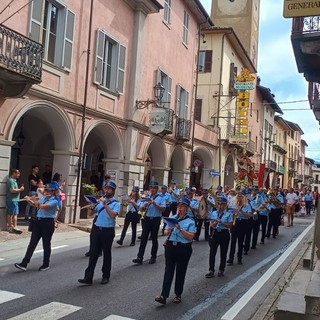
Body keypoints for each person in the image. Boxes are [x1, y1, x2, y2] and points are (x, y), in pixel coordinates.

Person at [155, 197, 195, 305]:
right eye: (179, 206)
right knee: (168, 271)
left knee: (180, 272)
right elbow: (165, 232)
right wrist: (169, 229)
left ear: (186, 208)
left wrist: (181, 229)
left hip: (183, 248)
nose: (180, 208)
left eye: (182, 206)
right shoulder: (172, 217)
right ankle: (164, 295)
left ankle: (178, 294)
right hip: (171, 247)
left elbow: (191, 236)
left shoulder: (190, 221)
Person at [78, 181, 120, 285]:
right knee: (93, 253)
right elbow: (91, 214)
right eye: (106, 188)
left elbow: (113, 215)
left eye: (109, 189)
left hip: (108, 230)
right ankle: (88, 277)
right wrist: (90, 207)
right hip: (97, 228)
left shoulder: (116, 203)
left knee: (106, 253)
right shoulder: (100, 201)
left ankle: (105, 276)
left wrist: (105, 205)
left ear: (113, 191)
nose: (107, 191)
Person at [14, 182, 61, 271]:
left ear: (53, 192)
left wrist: (34, 200)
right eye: (46, 190)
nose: (46, 192)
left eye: (48, 191)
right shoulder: (43, 198)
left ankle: (46, 264)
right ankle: (24, 263)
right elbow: (36, 205)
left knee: (46, 244)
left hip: (47, 223)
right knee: (32, 243)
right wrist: (28, 200)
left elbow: (43, 207)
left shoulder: (54, 201)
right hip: (38, 222)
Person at [132, 181, 165, 265]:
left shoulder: (161, 197)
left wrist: (154, 203)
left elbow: (163, 209)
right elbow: (141, 209)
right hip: (147, 218)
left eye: (154, 188)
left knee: (154, 238)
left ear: (157, 189)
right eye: (151, 188)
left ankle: (153, 256)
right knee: (144, 238)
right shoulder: (147, 197)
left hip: (155, 219)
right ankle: (139, 257)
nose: (152, 189)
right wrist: (144, 206)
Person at [205, 196, 233, 278]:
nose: (220, 206)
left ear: (225, 205)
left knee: (223, 252)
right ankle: (211, 270)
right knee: (212, 252)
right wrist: (214, 224)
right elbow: (212, 224)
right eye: (219, 204)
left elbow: (230, 225)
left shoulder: (228, 214)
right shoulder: (214, 213)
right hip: (216, 233)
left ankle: (221, 269)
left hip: (224, 233)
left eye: (222, 204)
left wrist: (221, 222)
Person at [227, 190, 252, 266]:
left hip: (243, 223)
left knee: (240, 242)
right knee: (233, 241)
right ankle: (231, 258)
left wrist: (241, 211)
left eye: (241, 196)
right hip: (235, 222)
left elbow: (249, 216)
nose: (239, 197)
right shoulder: (233, 204)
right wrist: (232, 213)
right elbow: (229, 212)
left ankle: (239, 258)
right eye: (238, 195)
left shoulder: (247, 205)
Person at [6, 169, 24, 233]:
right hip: (11, 200)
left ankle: (15, 226)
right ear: (14, 173)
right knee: (10, 214)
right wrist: (20, 189)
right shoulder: (10, 181)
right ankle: (10, 227)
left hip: (16, 200)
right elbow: (12, 190)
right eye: (18, 173)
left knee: (15, 214)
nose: (19, 175)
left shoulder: (14, 181)